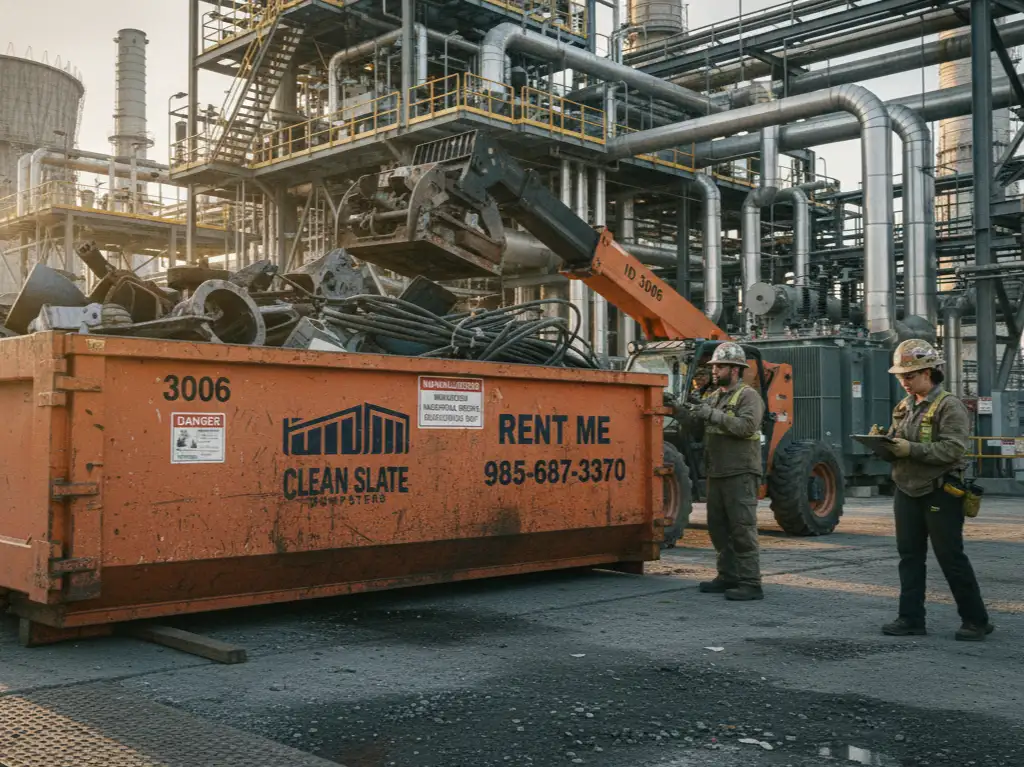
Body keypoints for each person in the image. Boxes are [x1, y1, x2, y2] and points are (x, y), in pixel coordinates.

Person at [882, 339, 993, 641]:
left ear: (928, 372)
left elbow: (953, 449)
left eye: (909, 375)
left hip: (941, 491)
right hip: (906, 489)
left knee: (950, 556)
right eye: (901, 376)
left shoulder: (949, 406)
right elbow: (897, 441)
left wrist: (910, 450)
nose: (904, 381)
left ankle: (976, 620)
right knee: (909, 556)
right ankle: (910, 619)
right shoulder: (904, 406)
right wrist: (883, 444)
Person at [672, 342, 765, 601]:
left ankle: (751, 582)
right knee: (719, 528)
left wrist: (710, 414)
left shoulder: (749, 396)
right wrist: (681, 412)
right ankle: (727, 576)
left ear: (735, 370)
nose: (714, 371)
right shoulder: (713, 397)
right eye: (713, 367)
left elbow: (746, 427)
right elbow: (698, 431)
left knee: (742, 528)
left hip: (740, 473)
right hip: (718, 472)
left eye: (720, 366)